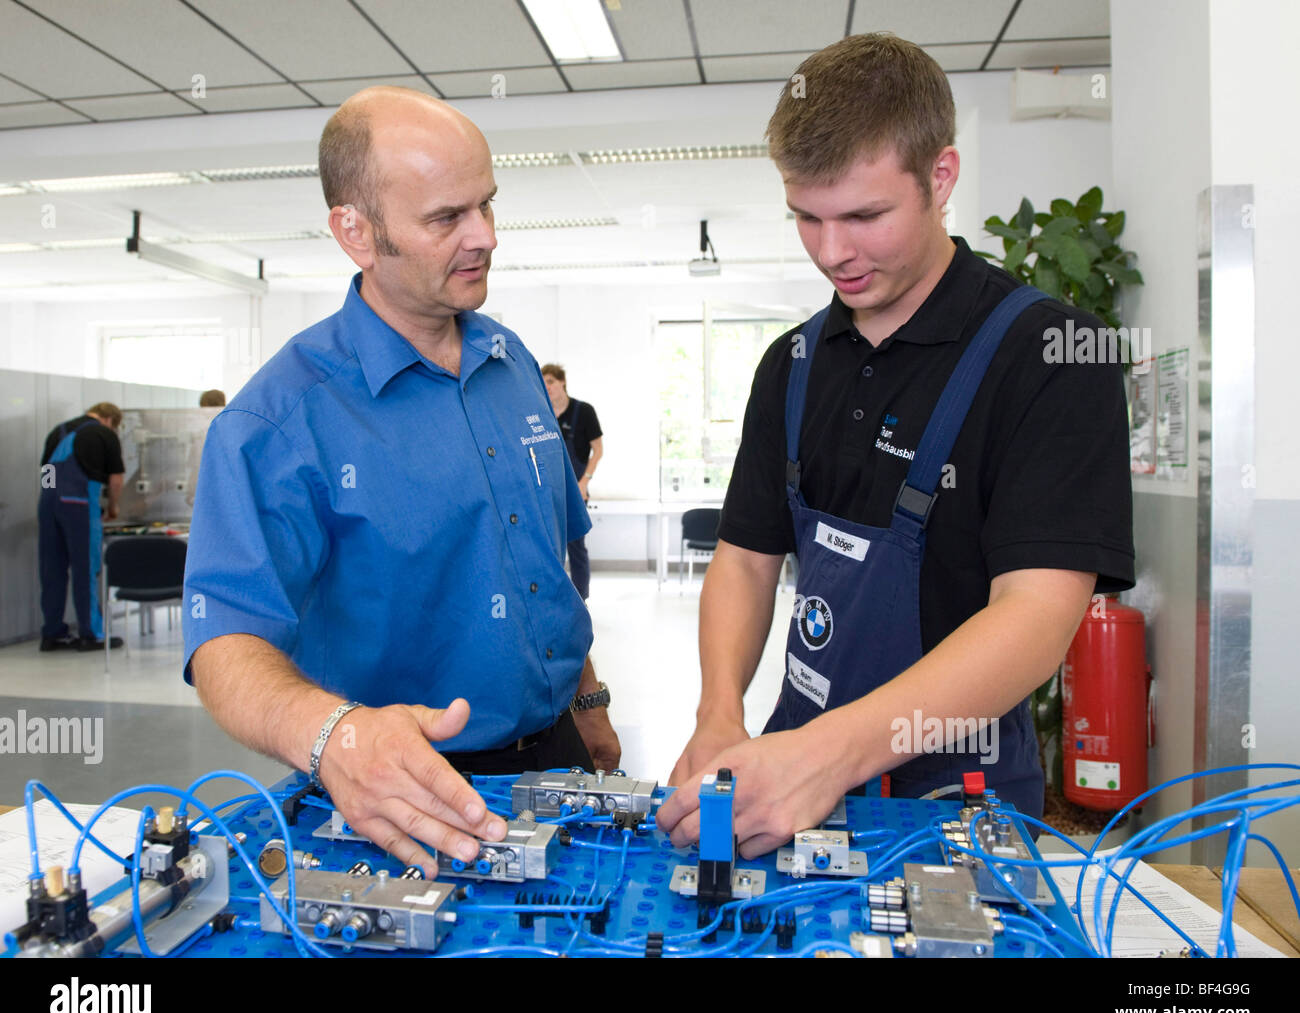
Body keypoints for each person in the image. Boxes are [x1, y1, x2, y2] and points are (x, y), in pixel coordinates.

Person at [657, 34, 1134, 858]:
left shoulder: (1050, 356)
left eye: (864, 216)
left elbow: (1037, 615)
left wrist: (828, 755)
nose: (831, 252)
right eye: (806, 216)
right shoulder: (792, 365)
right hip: (786, 769)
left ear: (940, 178)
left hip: (957, 798)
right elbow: (743, 559)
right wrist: (719, 712)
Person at [182, 87, 620, 873]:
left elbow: (548, 563)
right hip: (398, 793)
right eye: (447, 218)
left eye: (487, 205)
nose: (485, 236)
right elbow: (224, 641)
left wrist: (586, 700)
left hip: (559, 754)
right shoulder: (278, 421)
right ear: (356, 232)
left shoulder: (509, 360)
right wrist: (333, 735)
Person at [38, 402, 127, 652]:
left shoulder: (58, 431)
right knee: (85, 570)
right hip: (78, 504)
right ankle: (91, 633)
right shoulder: (104, 433)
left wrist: (53, 496)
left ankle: (52, 633)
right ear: (110, 420)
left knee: (51, 570)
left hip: (48, 503)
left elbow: (47, 471)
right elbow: (116, 480)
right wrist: (112, 508)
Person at [541, 364, 603, 600]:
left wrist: (584, 482)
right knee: (549, 548)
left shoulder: (584, 411)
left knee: (575, 546)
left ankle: (580, 601)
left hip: (576, 490)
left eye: (551, 381)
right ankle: (554, 602)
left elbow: (598, 450)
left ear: (562, 382)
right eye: (543, 382)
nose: (547, 387)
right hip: (546, 490)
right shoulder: (540, 413)